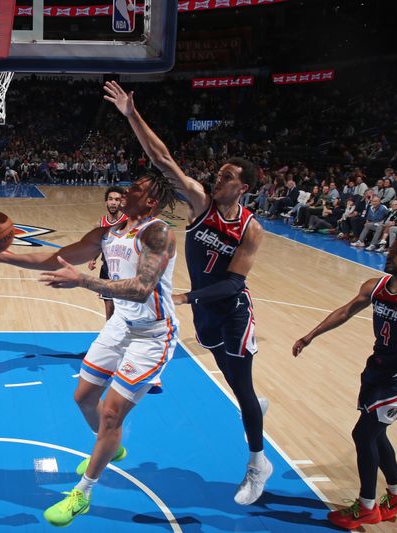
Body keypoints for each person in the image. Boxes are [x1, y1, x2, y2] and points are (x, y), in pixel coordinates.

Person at [104, 80, 271, 505]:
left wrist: (185, 298)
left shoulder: (250, 228)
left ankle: (257, 464)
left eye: (228, 177)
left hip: (233, 309)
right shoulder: (201, 203)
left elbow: (234, 282)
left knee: (244, 387)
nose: (219, 179)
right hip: (206, 315)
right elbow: (163, 160)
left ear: (243, 188)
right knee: (233, 380)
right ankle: (250, 405)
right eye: (219, 174)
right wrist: (131, 114)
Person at [0, 172, 178, 527]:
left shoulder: (157, 232)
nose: (127, 189)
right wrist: (4, 257)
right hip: (121, 324)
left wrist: (84, 281)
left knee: (110, 416)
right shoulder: (109, 233)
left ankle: (83, 493)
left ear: (150, 201)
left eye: (137, 188)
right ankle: (110, 445)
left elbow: (142, 287)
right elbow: (58, 257)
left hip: (152, 335)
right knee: (84, 398)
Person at [292, 234, 397, 529]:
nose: (390, 255)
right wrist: (310, 335)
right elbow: (346, 311)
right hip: (376, 370)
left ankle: (366, 506)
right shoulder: (375, 286)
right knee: (376, 435)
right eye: (390, 250)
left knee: (363, 435)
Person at [87, 186, 128, 321]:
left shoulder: (129, 222)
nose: (113, 202)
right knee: (109, 311)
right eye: (110, 199)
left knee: (126, 311)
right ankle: (111, 337)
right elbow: (98, 244)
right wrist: (93, 259)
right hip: (107, 270)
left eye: (117, 199)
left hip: (125, 272)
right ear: (106, 202)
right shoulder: (100, 224)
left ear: (122, 202)